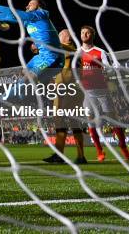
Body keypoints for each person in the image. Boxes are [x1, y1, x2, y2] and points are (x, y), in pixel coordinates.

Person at [0, 0, 63, 80]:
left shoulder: (41, 14)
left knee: (28, 79)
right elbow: (6, 16)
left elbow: (13, 12)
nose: (27, 6)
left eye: (31, 4)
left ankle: (8, 96)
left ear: (38, 6)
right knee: (24, 72)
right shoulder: (27, 20)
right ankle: (41, 93)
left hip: (53, 56)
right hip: (41, 56)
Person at [79, 26, 129, 162]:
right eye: (82, 32)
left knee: (113, 120)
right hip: (87, 93)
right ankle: (99, 151)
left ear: (92, 35)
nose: (85, 34)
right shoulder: (76, 53)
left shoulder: (100, 52)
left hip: (102, 92)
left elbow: (109, 68)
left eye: (88, 32)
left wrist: (106, 71)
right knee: (91, 123)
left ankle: (124, 148)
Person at [42, 29, 87, 164]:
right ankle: (80, 156)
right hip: (75, 89)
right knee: (74, 123)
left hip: (65, 90)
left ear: (67, 38)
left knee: (59, 121)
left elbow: (52, 45)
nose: (58, 38)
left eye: (60, 35)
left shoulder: (67, 48)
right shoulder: (73, 51)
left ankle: (59, 155)